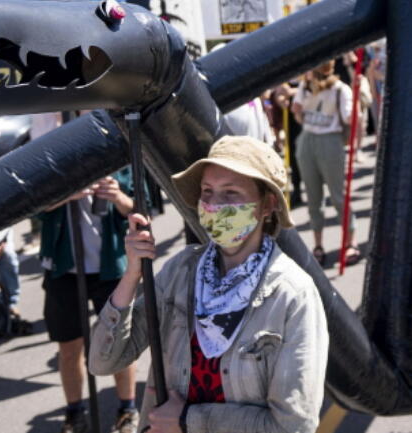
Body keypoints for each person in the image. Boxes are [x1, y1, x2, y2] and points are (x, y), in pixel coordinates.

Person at [90, 136, 327, 433]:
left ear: (266, 205)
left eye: (230, 193)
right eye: (207, 191)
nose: (214, 205)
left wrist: (188, 420)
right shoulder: (181, 269)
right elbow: (103, 362)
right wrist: (131, 275)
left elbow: (294, 426)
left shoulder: (292, 295)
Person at [39, 171, 139, 433]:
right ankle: (74, 413)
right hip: (64, 270)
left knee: (118, 342)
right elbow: (31, 207)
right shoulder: (55, 162)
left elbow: (141, 210)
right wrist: (64, 195)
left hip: (110, 269)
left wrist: (118, 197)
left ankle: (127, 409)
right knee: (69, 347)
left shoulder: (119, 159)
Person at [292, 61, 359, 266]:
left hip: (330, 140)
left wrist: (356, 98)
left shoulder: (340, 89)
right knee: (313, 197)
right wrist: (297, 109)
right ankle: (318, 244)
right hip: (307, 139)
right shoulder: (305, 86)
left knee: (339, 195)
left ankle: (351, 242)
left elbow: (350, 118)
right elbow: (299, 115)